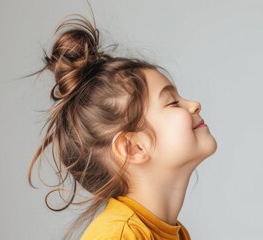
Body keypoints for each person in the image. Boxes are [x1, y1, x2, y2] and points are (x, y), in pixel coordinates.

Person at [28, 13, 217, 240]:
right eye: (173, 102)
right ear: (133, 148)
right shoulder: (119, 235)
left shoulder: (171, 232)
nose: (195, 105)